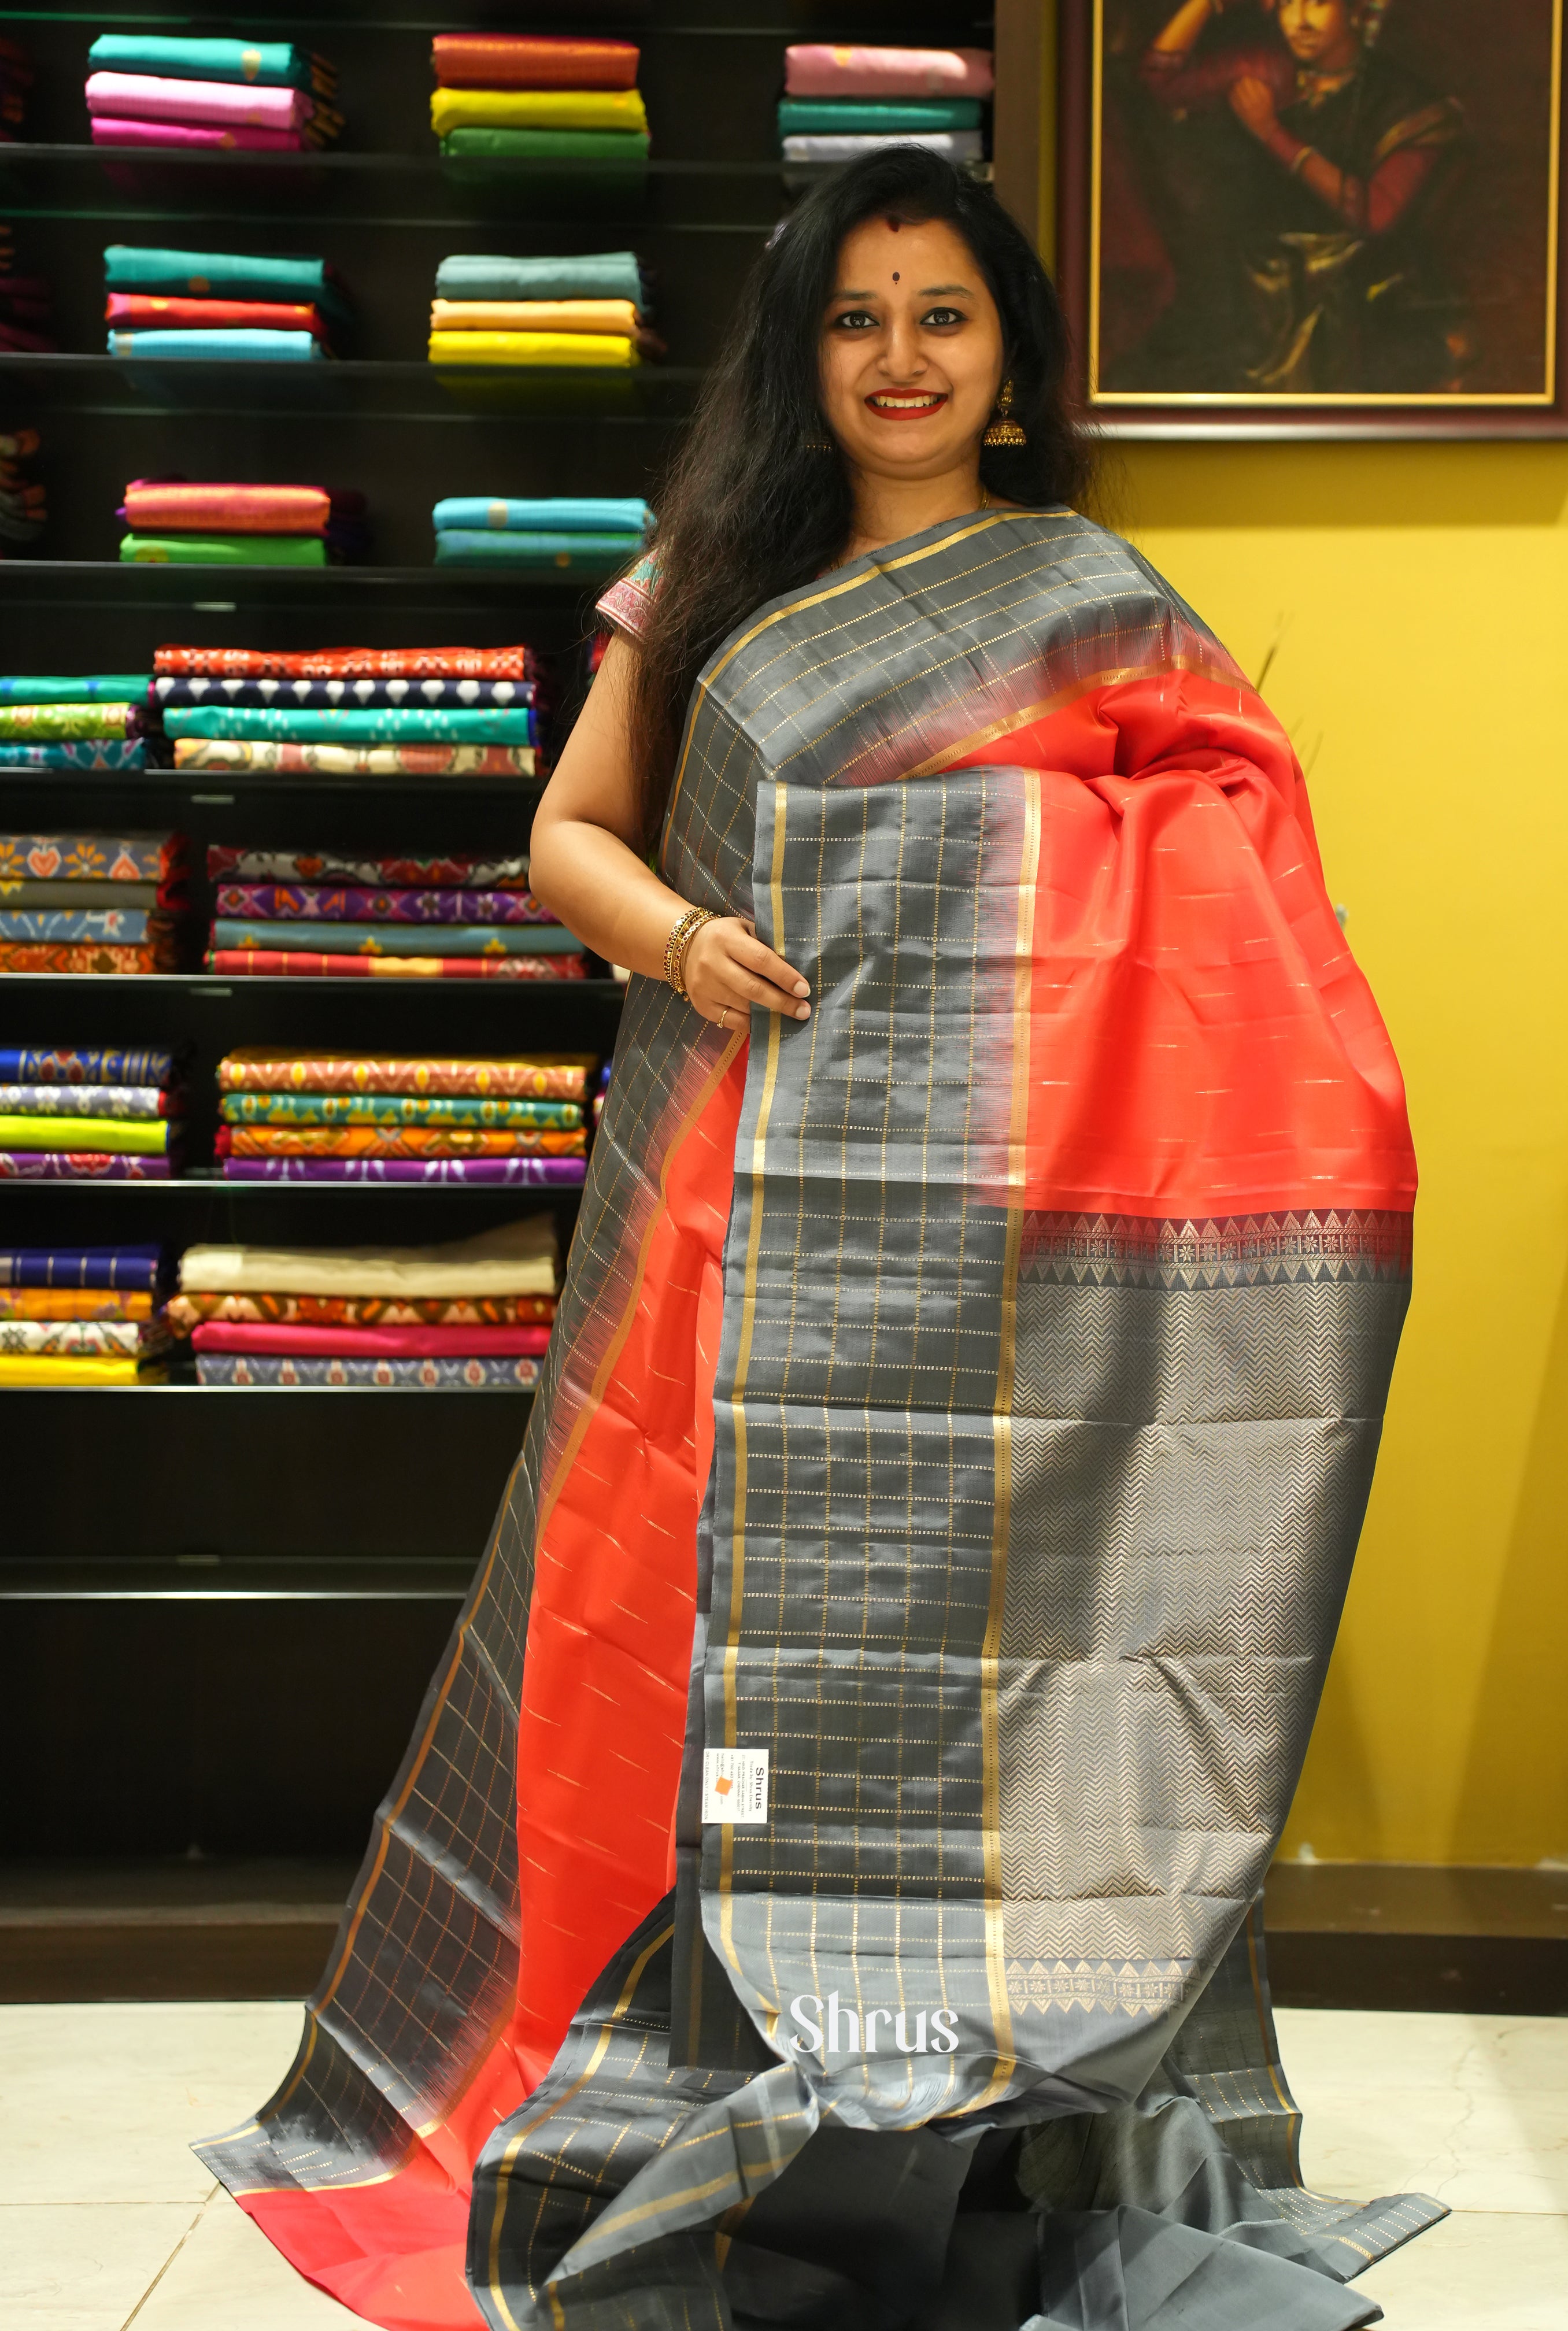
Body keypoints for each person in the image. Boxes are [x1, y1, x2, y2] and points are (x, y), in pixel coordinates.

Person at [199, 146, 1434, 2330]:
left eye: (938, 314)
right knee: (701, 1646)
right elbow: (562, 835)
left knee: (1003, 1660)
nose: (896, 358)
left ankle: (1006, 2109)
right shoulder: (708, 584)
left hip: (1015, 1264)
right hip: (739, 1218)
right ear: (800, 351)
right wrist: (683, 939)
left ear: (1009, 358)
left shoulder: (1089, 597)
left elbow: (1231, 855)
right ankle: (687, 2075)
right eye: (853, 318)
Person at [1110, 0, 1466, 394]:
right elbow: (1158, 77)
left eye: (1317, 4)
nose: (1301, 22)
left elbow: (1374, 214)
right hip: (1251, 285)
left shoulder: (1408, 103)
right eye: (1287, 5)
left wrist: (1271, 134)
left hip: (1348, 290)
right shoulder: (1269, 69)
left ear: (1356, 10)